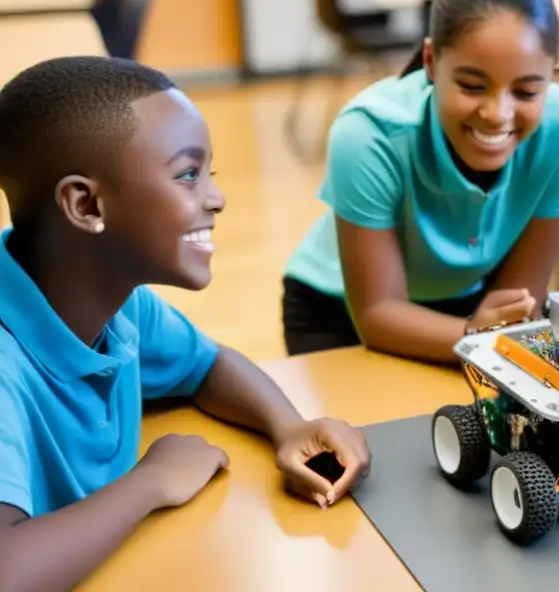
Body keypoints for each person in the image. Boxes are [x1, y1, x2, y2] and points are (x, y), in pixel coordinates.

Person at [0, 56, 372, 590]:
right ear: (85, 204)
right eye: (188, 175)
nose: (216, 198)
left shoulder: (122, 304)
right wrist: (150, 482)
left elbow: (206, 364)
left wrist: (289, 427)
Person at [281, 0, 559, 362]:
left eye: (526, 92)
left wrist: (489, 332)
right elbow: (377, 315)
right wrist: (475, 335)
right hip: (338, 309)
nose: (497, 113)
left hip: (473, 306)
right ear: (431, 62)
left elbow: (519, 301)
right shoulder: (367, 133)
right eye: (471, 85)